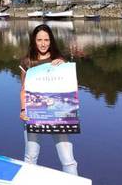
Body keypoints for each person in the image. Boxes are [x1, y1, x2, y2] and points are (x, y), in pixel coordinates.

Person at [19, 23, 78, 175]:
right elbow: (24, 89)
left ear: (51, 41)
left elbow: (72, 87)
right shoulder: (27, 62)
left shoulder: (59, 61)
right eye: (39, 40)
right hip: (34, 114)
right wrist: (23, 110)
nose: (43, 44)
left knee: (68, 159)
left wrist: (64, 67)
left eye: (46, 40)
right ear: (34, 41)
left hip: (58, 114)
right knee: (30, 156)